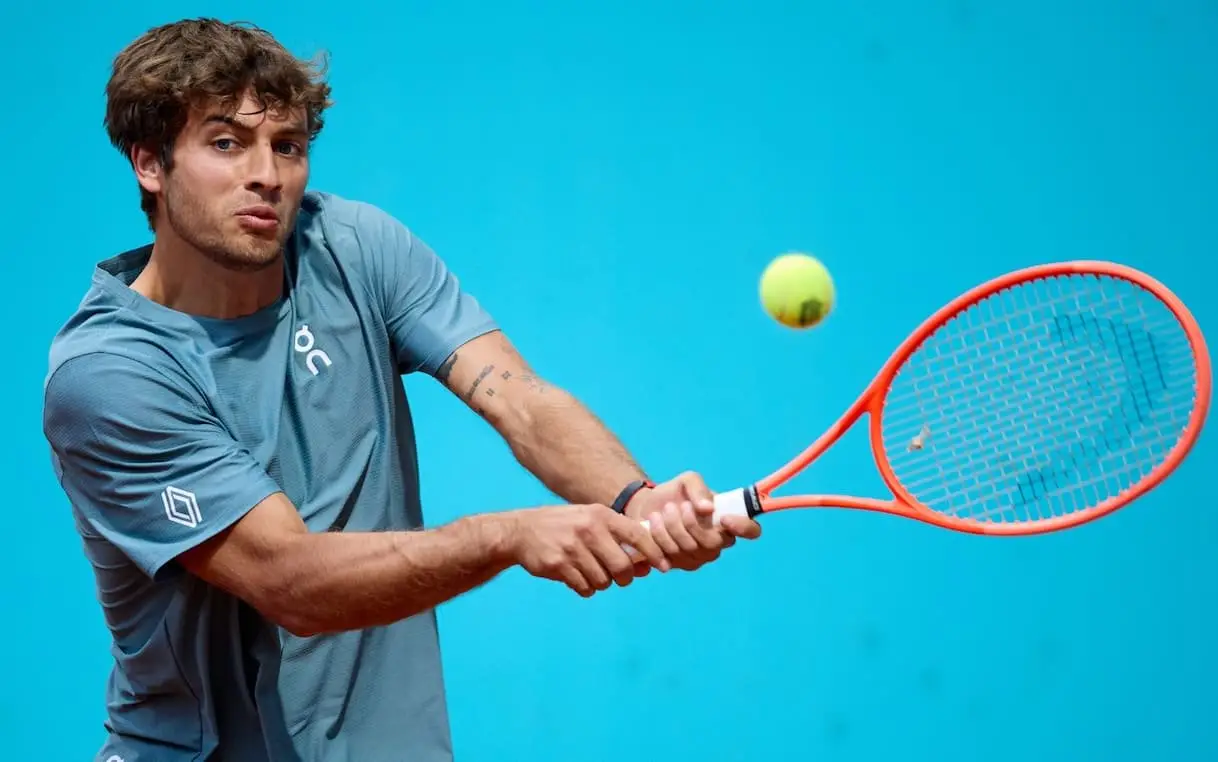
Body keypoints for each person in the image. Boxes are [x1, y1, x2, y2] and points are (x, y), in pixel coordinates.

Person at [41, 17, 761, 762]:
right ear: (150, 164)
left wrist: (635, 498)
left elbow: (518, 397)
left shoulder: (353, 246)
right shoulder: (109, 376)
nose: (267, 175)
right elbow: (289, 582)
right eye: (227, 143)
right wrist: (506, 536)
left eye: (288, 146)